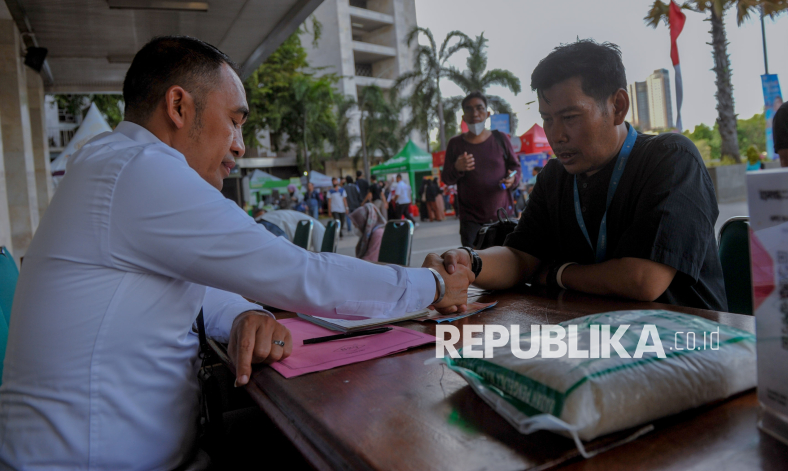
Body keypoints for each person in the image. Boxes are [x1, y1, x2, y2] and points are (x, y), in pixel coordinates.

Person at [0, 36, 472, 470]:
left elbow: (187, 287)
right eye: (234, 121)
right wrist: (431, 285)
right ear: (179, 106)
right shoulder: (142, 170)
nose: (240, 147)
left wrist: (245, 311)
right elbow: (298, 273)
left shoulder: (110, 162)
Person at [439, 40, 727, 311]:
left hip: (685, 343)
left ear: (618, 106)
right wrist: (466, 263)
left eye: (570, 118)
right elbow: (520, 257)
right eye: (547, 120)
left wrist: (556, 274)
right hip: (597, 337)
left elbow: (644, 280)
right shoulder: (555, 176)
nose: (557, 135)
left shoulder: (672, 159)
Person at [440, 92, 522, 247]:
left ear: (488, 114)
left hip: (503, 217)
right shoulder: (455, 144)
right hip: (471, 223)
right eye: (469, 109)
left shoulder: (501, 138)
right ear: (463, 117)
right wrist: (457, 168)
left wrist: (512, 179)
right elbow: (446, 178)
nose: (475, 114)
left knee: (506, 265)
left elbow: (515, 167)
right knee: (475, 266)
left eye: (479, 108)